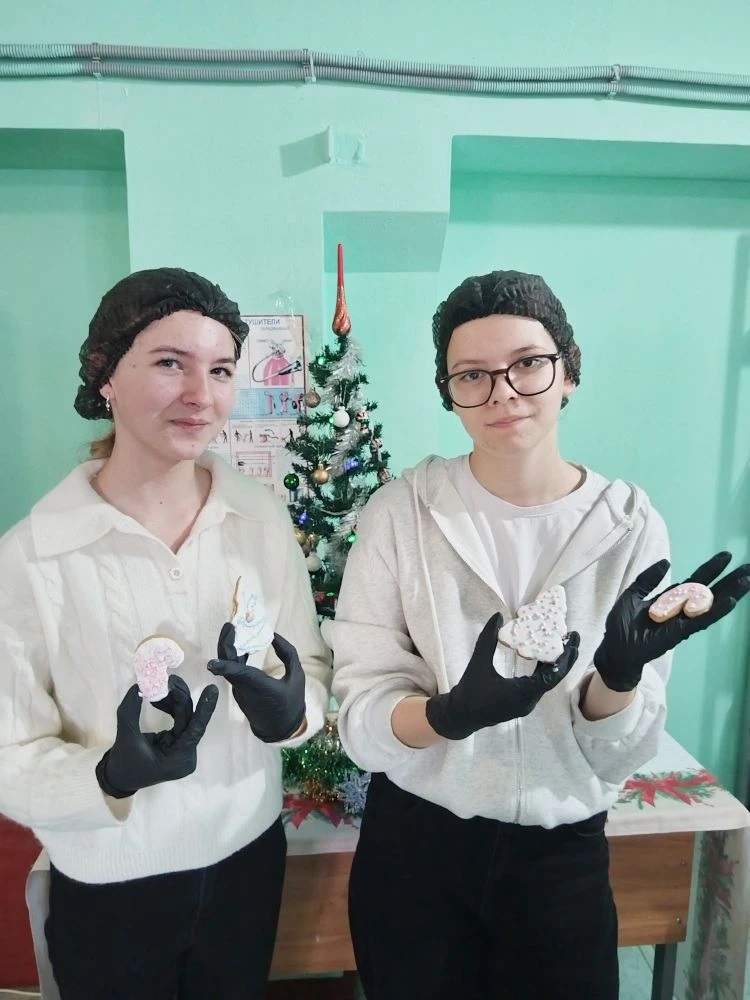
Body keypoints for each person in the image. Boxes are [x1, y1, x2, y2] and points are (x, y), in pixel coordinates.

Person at [327, 270, 749, 1000]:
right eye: (472, 374)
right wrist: (447, 715)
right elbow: (361, 718)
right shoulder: (401, 515)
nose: (503, 392)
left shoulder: (628, 524)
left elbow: (618, 754)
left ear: (568, 372)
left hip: (560, 860)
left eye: (527, 363)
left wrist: (618, 679)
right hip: (417, 851)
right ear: (448, 392)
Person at [0, 268, 331, 999]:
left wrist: (294, 710)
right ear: (105, 376)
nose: (200, 395)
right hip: (111, 882)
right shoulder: (31, 556)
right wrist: (106, 777)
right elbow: (8, 750)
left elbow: (306, 663)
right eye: (169, 363)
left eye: (221, 370)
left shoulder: (260, 518)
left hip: (247, 861)